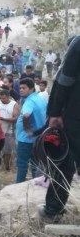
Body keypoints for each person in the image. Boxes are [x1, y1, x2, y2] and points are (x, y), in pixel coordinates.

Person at [38, 36, 80, 222]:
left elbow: (65, 79)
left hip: (76, 113)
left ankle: (53, 211)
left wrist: (54, 111)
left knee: (65, 162)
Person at [16, 78, 47, 183]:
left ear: (31, 88)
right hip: (38, 137)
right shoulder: (41, 98)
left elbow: (26, 115)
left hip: (26, 139)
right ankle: (35, 183)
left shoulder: (29, 101)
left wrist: (25, 126)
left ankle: (18, 186)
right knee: (35, 163)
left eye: (24, 88)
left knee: (22, 164)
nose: (21, 90)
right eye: (20, 88)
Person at [0, 90, 19, 171]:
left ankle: (7, 167)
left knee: (7, 150)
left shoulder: (14, 104)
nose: (2, 100)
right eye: (1, 98)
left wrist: (3, 119)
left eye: (4, 98)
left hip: (8, 131)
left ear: (8, 97)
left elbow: (16, 118)